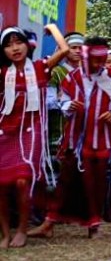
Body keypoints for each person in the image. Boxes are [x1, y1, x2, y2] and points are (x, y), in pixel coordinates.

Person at [29, 37, 111, 240]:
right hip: (75, 141)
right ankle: (49, 223)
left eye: (101, 60)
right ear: (86, 58)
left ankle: (94, 225)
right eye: (95, 60)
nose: (99, 64)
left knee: (96, 184)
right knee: (65, 182)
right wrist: (69, 106)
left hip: (102, 141)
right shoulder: (72, 77)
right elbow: (62, 101)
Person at [0, 25, 69, 248]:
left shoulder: (40, 68)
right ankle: (5, 234)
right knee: (1, 184)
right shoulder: (3, 73)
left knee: (22, 180)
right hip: (6, 133)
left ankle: (22, 230)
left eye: (18, 42)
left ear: (27, 45)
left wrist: (53, 29)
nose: (14, 48)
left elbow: (65, 50)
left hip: (32, 130)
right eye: (8, 45)